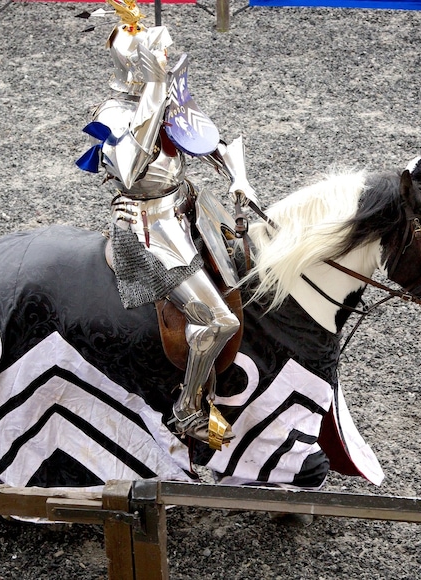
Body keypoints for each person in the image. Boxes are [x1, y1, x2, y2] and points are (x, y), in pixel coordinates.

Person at [77, 0, 258, 449]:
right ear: (137, 64)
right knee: (217, 321)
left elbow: (206, 138)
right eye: (159, 56)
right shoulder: (114, 115)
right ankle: (190, 410)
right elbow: (132, 170)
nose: (167, 59)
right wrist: (155, 90)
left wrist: (240, 180)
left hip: (187, 206)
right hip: (147, 224)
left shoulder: (164, 98)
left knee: (250, 263)